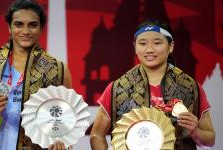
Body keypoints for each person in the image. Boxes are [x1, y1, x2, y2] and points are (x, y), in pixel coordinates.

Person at [90, 19, 215, 149]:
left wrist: (196, 133)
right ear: (135, 47)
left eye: (157, 43)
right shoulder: (117, 89)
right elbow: (96, 135)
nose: (149, 49)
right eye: (143, 43)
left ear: (170, 46)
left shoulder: (190, 87)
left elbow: (210, 139)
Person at [0, 0, 72, 149]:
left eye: (33, 25)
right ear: (9, 27)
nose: (25, 31)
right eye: (18, 24)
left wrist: (61, 140)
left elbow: (64, 125)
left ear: (41, 29)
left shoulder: (58, 71)